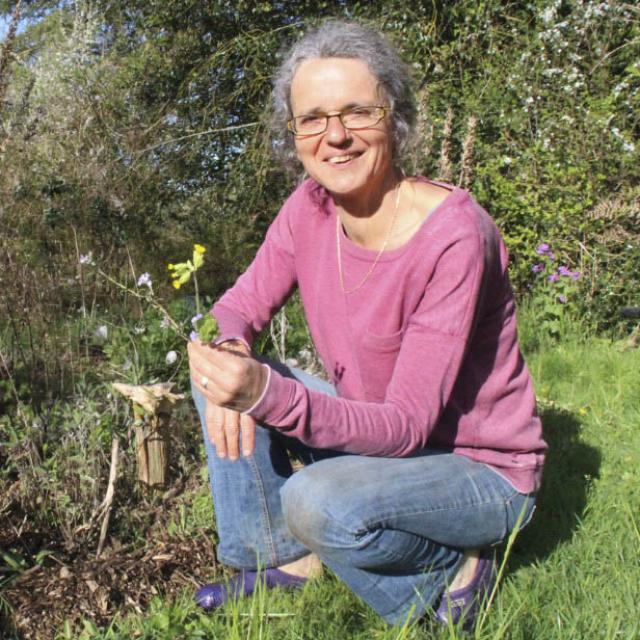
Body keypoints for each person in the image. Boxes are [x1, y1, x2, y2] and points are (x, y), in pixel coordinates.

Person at [187, 19, 546, 629]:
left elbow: (407, 427)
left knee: (314, 500)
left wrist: (264, 395)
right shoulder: (308, 207)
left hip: (478, 471)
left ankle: (450, 574)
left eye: (358, 112)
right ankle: (281, 560)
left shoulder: (455, 236)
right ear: (293, 132)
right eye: (314, 118)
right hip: (381, 434)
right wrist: (227, 352)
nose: (336, 137)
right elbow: (239, 305)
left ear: (394, 119)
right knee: (220, 368)